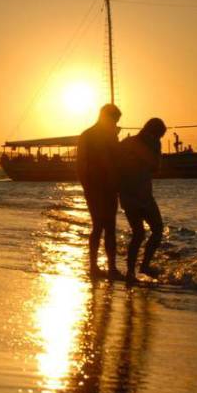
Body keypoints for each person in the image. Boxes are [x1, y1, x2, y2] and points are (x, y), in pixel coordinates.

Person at [118, 118, 167, 284]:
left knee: (139, 233)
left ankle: (132, 271)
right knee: (156, 229)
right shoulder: (152, 144)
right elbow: (156, 167)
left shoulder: (127, 142)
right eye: (159, 135)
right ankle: (143, 266)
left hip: (129, 195)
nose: (158, 138)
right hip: (140, 195)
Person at [76, 104, 122, 279]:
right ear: (107, 117)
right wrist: (88, 185)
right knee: (105, 226)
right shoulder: (96, 135)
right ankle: (104, 268)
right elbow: (82, 164)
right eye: (115, 119)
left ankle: (101, 267)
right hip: (99, 186)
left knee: (103, 226)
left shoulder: (88, 135)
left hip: (103, 186)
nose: (116, 122)